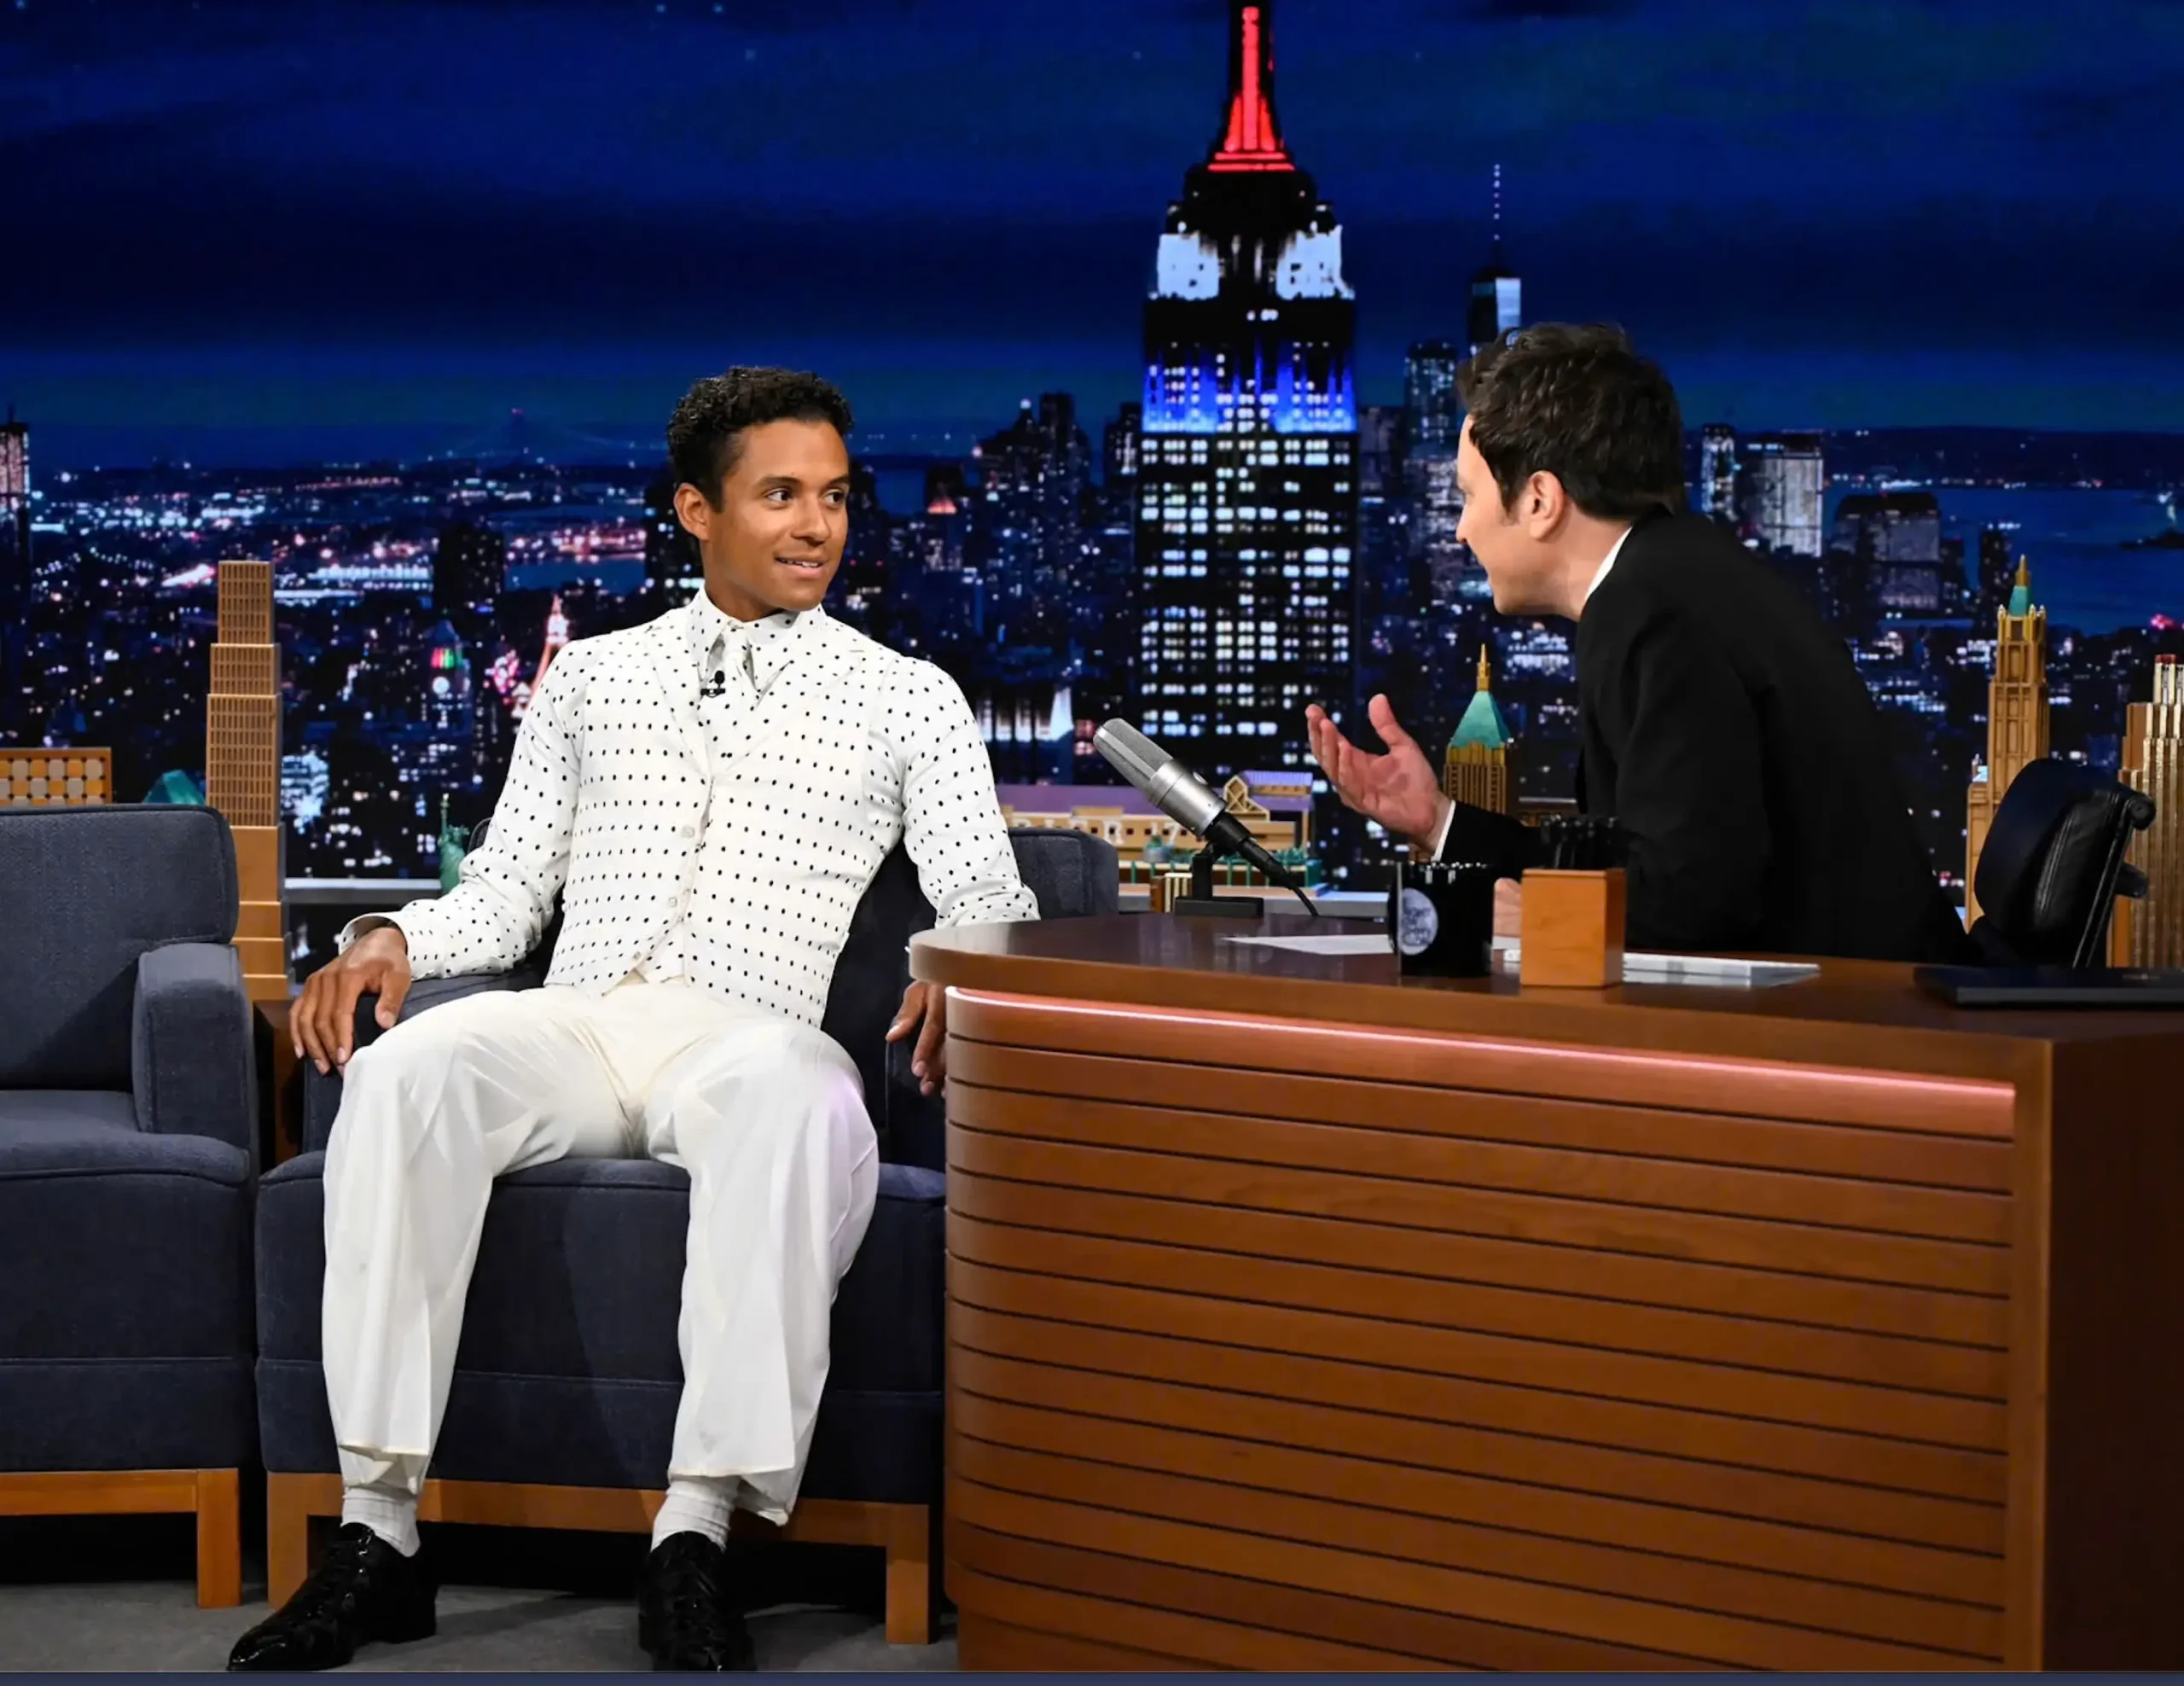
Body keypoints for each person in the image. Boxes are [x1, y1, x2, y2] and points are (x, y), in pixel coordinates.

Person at [227, 368, 1039, 1673]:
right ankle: (378, 1536)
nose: (817, 526)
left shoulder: (910, 697)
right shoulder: (590, 678)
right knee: (407, 1074)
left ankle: (696, 1539)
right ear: (694, 511)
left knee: (799, 1095)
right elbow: (499, 898)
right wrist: (387, 939)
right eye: (780, 495)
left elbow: (988, 894)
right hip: (583, 1020)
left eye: (834, 497)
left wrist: (954, 955)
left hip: (750, 1033)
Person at [1307, 323, 1970, 963]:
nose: (1459, 531)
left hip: (1861, 1032)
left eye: (1470, 496)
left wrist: (1542, 919)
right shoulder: (1675, 573)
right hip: (1855, 1010)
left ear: (1539, 500)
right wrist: (1438, 820)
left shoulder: (1654, 612)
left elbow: (1693, 902)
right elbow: (1635, 872)